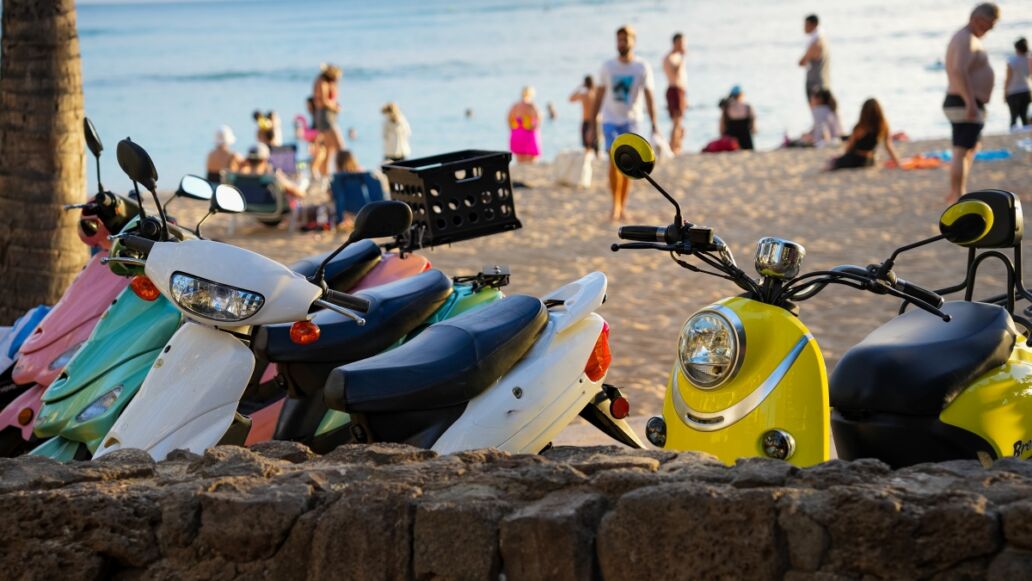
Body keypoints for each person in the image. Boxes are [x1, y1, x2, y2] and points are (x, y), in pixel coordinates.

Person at [590, 25, 658, 222]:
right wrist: (591, 123)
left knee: (629, 166)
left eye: (625, 39)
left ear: (633, 42)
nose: (622, 43)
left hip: (632, 121)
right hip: (610, 120)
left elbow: (649, 96)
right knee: (614, 161)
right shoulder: (607, 67)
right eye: (619, 39)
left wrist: (655, 123)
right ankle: (615, 205)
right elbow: (599, 95)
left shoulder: (641, 67)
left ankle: (623, 204)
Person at [943, 3, 1000, 203]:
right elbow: (959, 70)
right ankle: (958, 194)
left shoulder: (966, 38)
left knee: (969, 148)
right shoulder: (965, 38)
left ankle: (957, 191)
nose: (991, 28)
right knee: (961, 150)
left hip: (963, 100)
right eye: (990, 23)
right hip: (963, 101)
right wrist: (970, 103)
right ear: (977, 18)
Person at [828, 98, 901, 170]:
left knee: (832, 162)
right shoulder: (883, 126)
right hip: (870, 161)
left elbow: (849, 147)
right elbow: (889, 146)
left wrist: (844, 157)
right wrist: (898, 162)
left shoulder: (861, 127)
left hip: (856, 160)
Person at [238, 143, 306, 199]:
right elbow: (300, 194)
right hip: (274, 213)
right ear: (264, 160)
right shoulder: (273, 179)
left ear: (248, 160)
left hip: (249, 211)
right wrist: (281, 178)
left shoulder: (240, 179)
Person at [312, 63, 344, 179]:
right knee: (340, 147)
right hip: (325, 115)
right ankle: (342, 173)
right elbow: (323, 101)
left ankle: (326, 177)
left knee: (329, 150)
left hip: (328, 115)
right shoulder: (322, 82)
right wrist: (335, 107)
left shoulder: (328, 82)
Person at [663, 32, 688, 154]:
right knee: (676, 120)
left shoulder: (677, 57)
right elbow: (674, 72)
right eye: (681, 43)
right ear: (675, 43)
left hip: (681, 90)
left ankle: (677, 146)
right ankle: (672, 147)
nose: (683, 45)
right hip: (674, 89)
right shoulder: (669, 57)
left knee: (679, 120)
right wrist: (682, 58)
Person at [799, 14, 830, 104]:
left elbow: (802, 62)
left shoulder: (816, 42)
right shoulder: (822, 38)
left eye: (806, 25)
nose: (804, 28)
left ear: (813, 25)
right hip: (822, 81)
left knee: (818, 113)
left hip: (815, 84)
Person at [507, 86, 541, 164]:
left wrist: (513, 129)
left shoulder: (515, 105)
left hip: (517, 133)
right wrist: (534, 127)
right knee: (533, 160)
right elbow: (538, 117)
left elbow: (509, 118)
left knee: (520, 160)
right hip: (529, 133)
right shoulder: (531, 105)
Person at [569, 75, 599, 154]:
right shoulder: (596, 94)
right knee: (596, 145)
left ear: (585, 84)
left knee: (587, 146)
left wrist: (579, 87)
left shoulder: (584, 95)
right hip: (596, 121)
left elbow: (571, 99)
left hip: (586, 121)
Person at [1005, 37, 1031, 128]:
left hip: (1013, 92)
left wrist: (1005, 93)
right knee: (1024, 118)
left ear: (1017, 48)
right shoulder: (1029, 60)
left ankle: (1012, 137)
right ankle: (1028, 139)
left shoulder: (1012, 61)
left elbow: (1008, 79)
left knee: (1013, 118)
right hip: (1026, 91)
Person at [719, 86, 755, 150]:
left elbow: (722, 122)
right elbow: (753, 119)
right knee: (748, 149)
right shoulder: (747, 106)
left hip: (731, 133)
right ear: (741, 94)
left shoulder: (727, 107)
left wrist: (722, 134)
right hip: (745, 133)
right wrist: (753, 129)